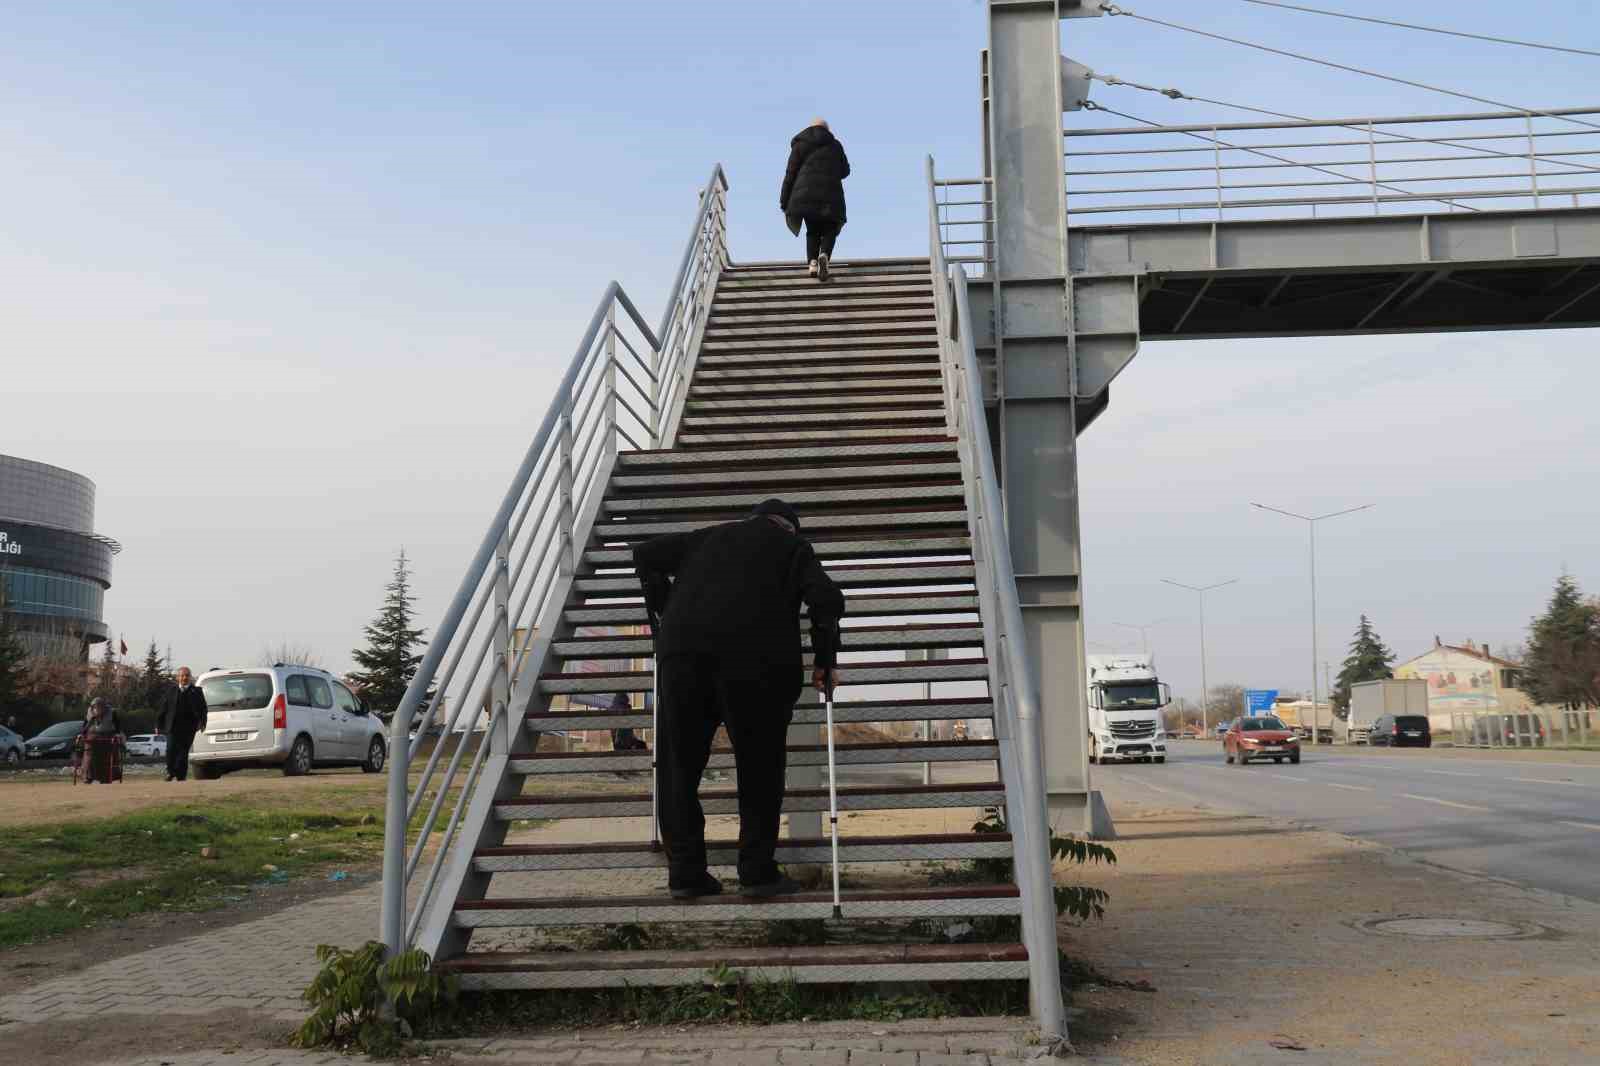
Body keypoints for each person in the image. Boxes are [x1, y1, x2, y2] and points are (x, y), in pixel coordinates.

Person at [634, 498, 845, 900]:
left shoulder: (706, 537)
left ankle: (685, 871)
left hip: (683, 654)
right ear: (789, 527)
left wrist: (661, 610)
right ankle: (756, 871)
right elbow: (826, 599)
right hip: (757, 661)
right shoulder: (791, 546)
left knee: (679, 764)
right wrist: (825, 659)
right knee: (760, 765)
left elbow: (646, 556)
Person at [780, 118, 850, 282]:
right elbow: (845, 171)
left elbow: (790, 174)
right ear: (827, 129)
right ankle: (824, 254)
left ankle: (812, 263)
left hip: (804, 195)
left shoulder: (800, 145)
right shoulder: (835, 145)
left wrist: (784, 200)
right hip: (830, 194)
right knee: (830, 227)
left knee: (812, 229)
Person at [157, 666, 207, 782]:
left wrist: (203, 723)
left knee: (183, 752)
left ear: (190, 677)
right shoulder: (171, 691)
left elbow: (203, 709)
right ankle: (170, 772)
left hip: (189, 727)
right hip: (172, 726)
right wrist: (158, 724)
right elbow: (163, 708)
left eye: (187, 675)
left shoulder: (197, 691)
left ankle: (181, 776)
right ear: (177, 677)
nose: (184, 678)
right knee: (170, 749)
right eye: (182, 675)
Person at [78, 697, 124, 785]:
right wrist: (82, 733)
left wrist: (117, 733)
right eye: (95, 707)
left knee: (107, 755)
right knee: (89, 753)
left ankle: (106, 778)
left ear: (104, 707)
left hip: (108, 734)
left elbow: (117, 724)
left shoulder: (112, 712)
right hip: (93, 734)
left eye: (99, 707)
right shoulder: (90, 712)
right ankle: (88, 776)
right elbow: (85, 724)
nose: (97, 709)